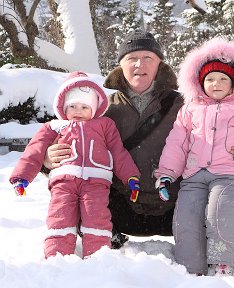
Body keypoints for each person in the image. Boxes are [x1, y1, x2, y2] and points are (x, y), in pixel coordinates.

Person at [43, 30, 234, 245]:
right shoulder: (98, 108)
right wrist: (47, 159)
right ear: (121, 65)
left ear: (159, 64)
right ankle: (102, 239)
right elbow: (65, 143)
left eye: (148, 58)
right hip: (119, 211)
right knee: (77, 190)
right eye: (132, 58)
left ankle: (214, 245)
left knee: (220, 194)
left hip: (178, 208)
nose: (140, 65)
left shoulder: (188, 105)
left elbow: (226, 128)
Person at [153, 38, 234, 276]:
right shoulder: (189, 109)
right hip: (194, 176)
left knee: (219, 208)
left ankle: (223, 262)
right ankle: (189, 267)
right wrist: (166, 174)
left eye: (223, 78)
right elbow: (177, 144)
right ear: (199, 83)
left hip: (231, 175)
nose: (216, 83)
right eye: (210, 79)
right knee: (186, 215)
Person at [9, 71, 140, 259]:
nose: (78, 111)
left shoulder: (105, 125)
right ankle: (57, 257)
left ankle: (98, 257)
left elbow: (118, 152)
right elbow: (34, 151)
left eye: (84, 107)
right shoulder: (54, 126)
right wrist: (21, 177)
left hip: (96, 183)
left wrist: (131, 176)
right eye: (72, 106)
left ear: (94, 108)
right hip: (63, 182)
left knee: (97, 217)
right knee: (60, 215)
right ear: (63, 106)